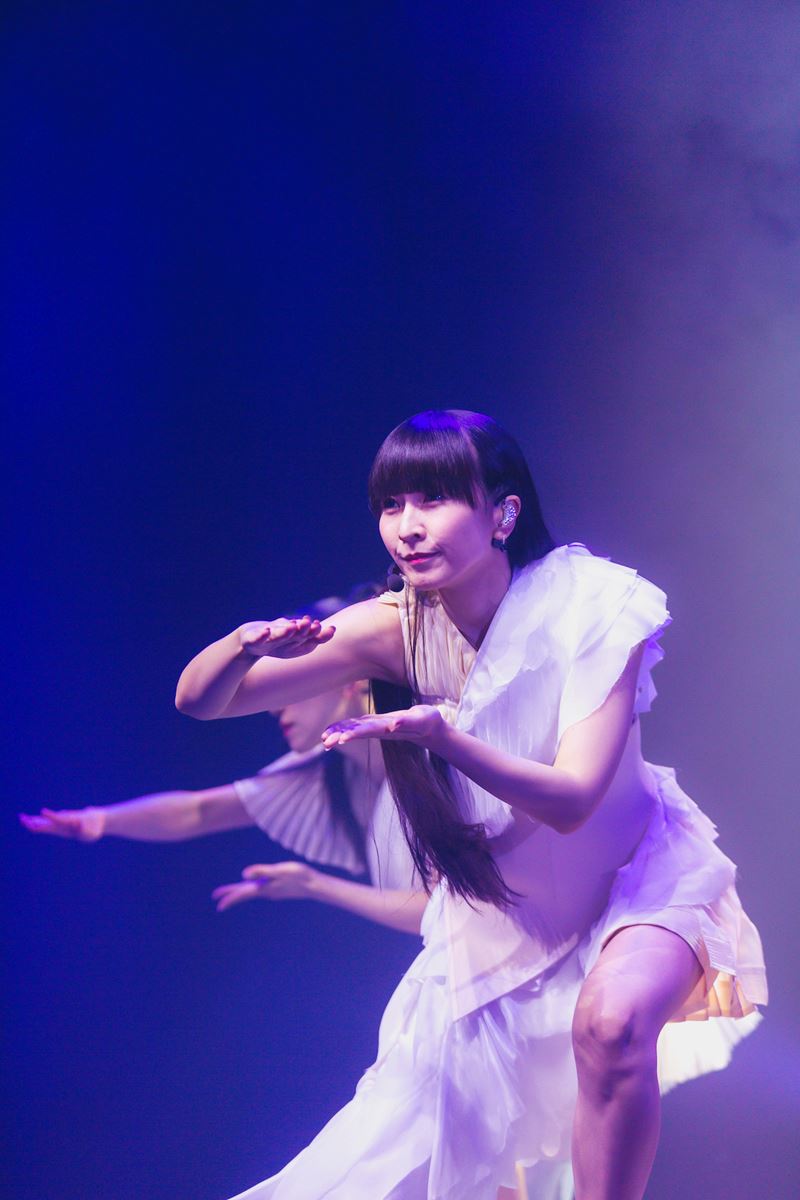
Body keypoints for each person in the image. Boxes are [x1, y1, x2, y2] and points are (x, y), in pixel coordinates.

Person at [177, 410, 767, 1200]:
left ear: (503, 514)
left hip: (638, 879)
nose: (408, 527)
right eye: (391, 505)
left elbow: (573, 799)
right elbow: (204, 702)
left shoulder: (593, 604)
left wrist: (445, 738)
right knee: (380, 1165)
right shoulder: (392, 627)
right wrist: (240, 646)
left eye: (434, 499)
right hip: (506, 920)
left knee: (612, 1023)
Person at [20, 593, 422, 935]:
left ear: (349, 679)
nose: (274, 706)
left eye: (293, 682)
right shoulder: (330, 775)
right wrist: (101, 820)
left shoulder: (425, 747)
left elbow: (441, 911)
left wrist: (313, 885)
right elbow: (200, 811)